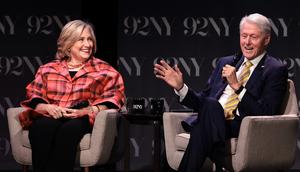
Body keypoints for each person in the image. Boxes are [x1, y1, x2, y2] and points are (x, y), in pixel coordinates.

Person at [154, 13, 288, 171]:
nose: (247, 42)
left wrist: (237, 86)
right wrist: (180, 87)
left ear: (266, 39)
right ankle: (216, 153)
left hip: (240, 126)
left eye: (253, 37)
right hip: (212, 120)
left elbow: (266, 112)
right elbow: (201, 102)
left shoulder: (275, 69)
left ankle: (213, 154)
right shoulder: (226, 62)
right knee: (210, 107)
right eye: (244, 36)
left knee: (207, 114)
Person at [18, 20, 125, 172]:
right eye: (81, 39)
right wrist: (47, 107)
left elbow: (116, 97)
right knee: (41, 128)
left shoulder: (105, 70)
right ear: (68, 43)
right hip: (52, 115)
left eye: (90, 39)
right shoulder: (48, 69)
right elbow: (34, 94)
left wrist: (88, 110)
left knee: (68, 131)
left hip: (82, 118)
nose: (87, 44)